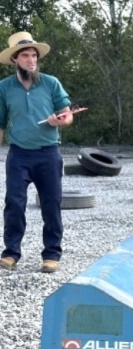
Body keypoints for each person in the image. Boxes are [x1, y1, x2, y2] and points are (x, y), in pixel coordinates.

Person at [0, 31, 74, 273]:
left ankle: (51, 254)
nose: (31, 60)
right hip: (19, 154)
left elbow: (68, 115)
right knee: (14, 203)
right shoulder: (4, 87)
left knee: (51, 204)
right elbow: (0, 124)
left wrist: (60, 121)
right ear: (15, 59)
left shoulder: (51, 83)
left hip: (48, 153)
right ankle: (11, 253)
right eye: (25, 56)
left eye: (34, 55)